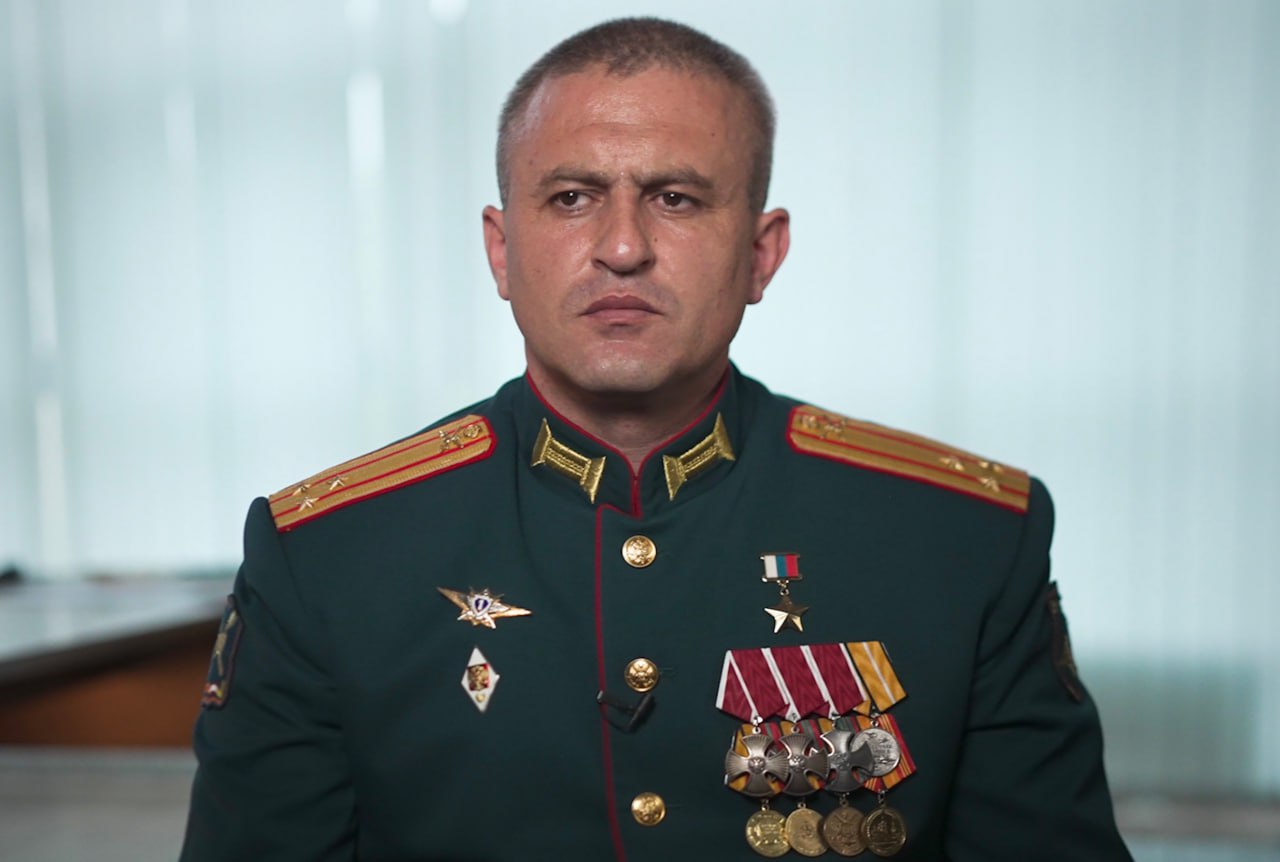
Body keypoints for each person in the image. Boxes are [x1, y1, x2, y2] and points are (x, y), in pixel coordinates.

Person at [181, 17, 1132, 861]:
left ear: (761, 255)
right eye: (571, 198)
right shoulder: (326, 553)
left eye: (676, 198)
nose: (624, 246)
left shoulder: (963, 536)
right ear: (501, 251)